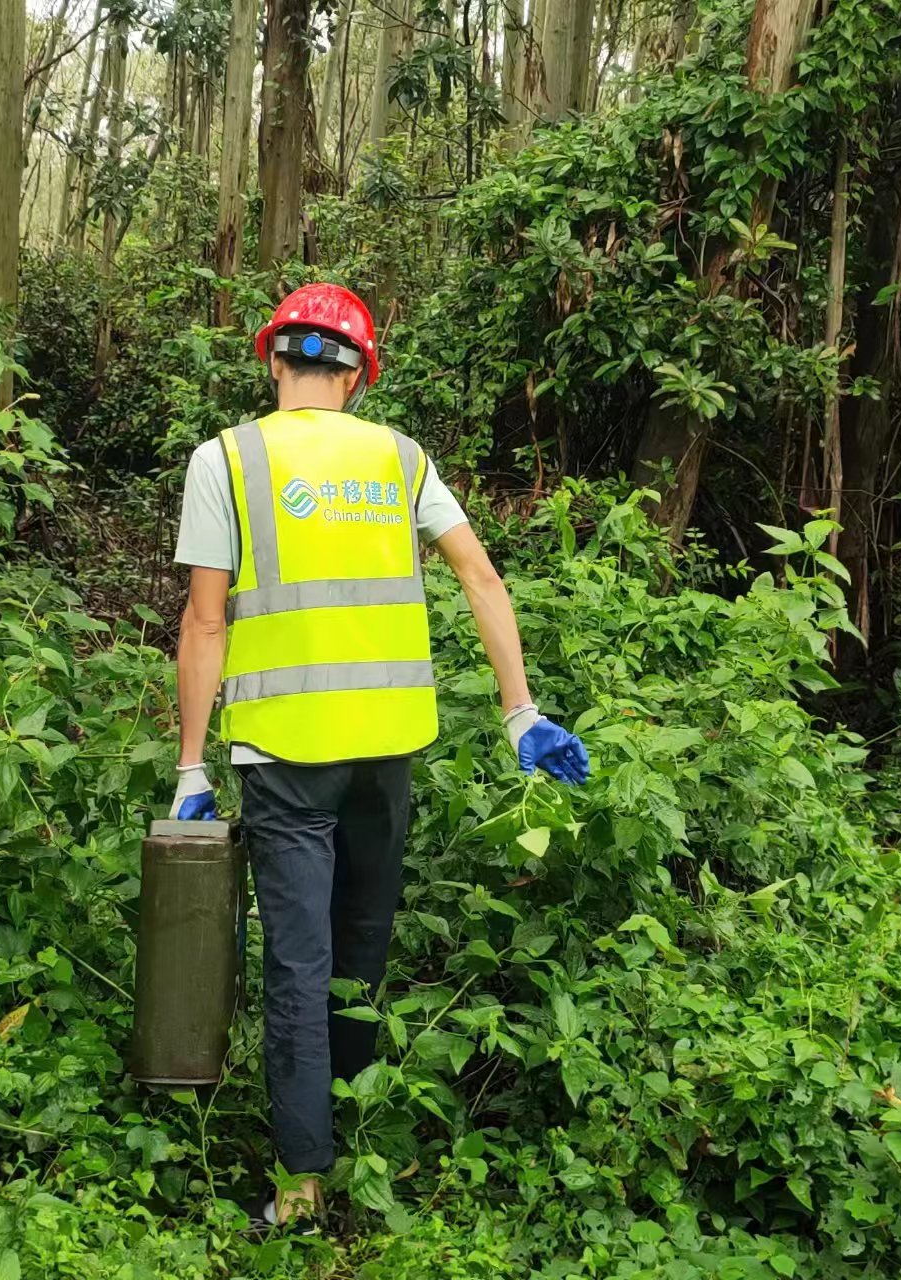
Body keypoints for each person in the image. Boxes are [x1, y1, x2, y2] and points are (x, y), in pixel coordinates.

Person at [165, 282, 592, 1230]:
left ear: (275, 360)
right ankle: (353, 1123)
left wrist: (192, 764)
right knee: (360, 947)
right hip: (389, 751)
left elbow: (206, 621)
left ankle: (302, 1182)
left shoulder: (225, 458)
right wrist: (521, 713)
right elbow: (482, 576)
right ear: (357, 375)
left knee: (300, 966)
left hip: (285, 754)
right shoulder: (400, 460)